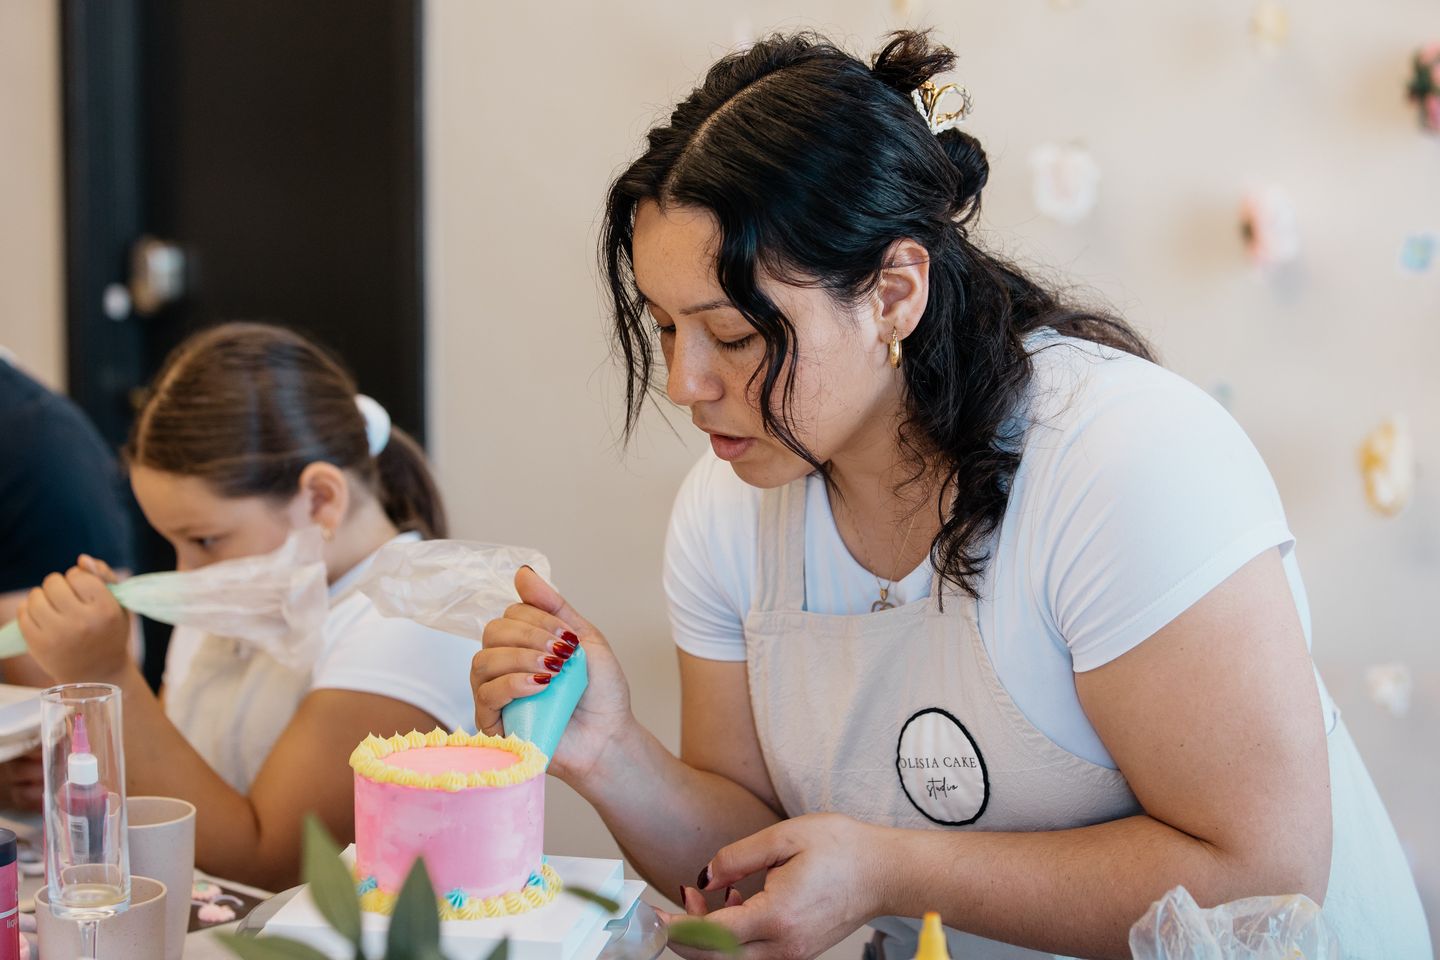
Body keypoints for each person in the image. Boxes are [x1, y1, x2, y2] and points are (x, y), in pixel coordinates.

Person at [473, 31, 1430, 959]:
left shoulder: (1121, 463)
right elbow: (748, 860)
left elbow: (1260, 879)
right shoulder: (730, 511)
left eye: (732, 335)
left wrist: (889, 872)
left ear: (893, 293)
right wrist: (614, 756)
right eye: (665, 327)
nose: (685, 383)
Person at [15, 323, 541, 889]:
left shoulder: (407, 626)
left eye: (205, 540)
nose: (187, 572)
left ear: (319, 499)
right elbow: (160, 790)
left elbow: (274, 867)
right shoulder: (244, 596)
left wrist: (106, 673)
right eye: (174, 543)